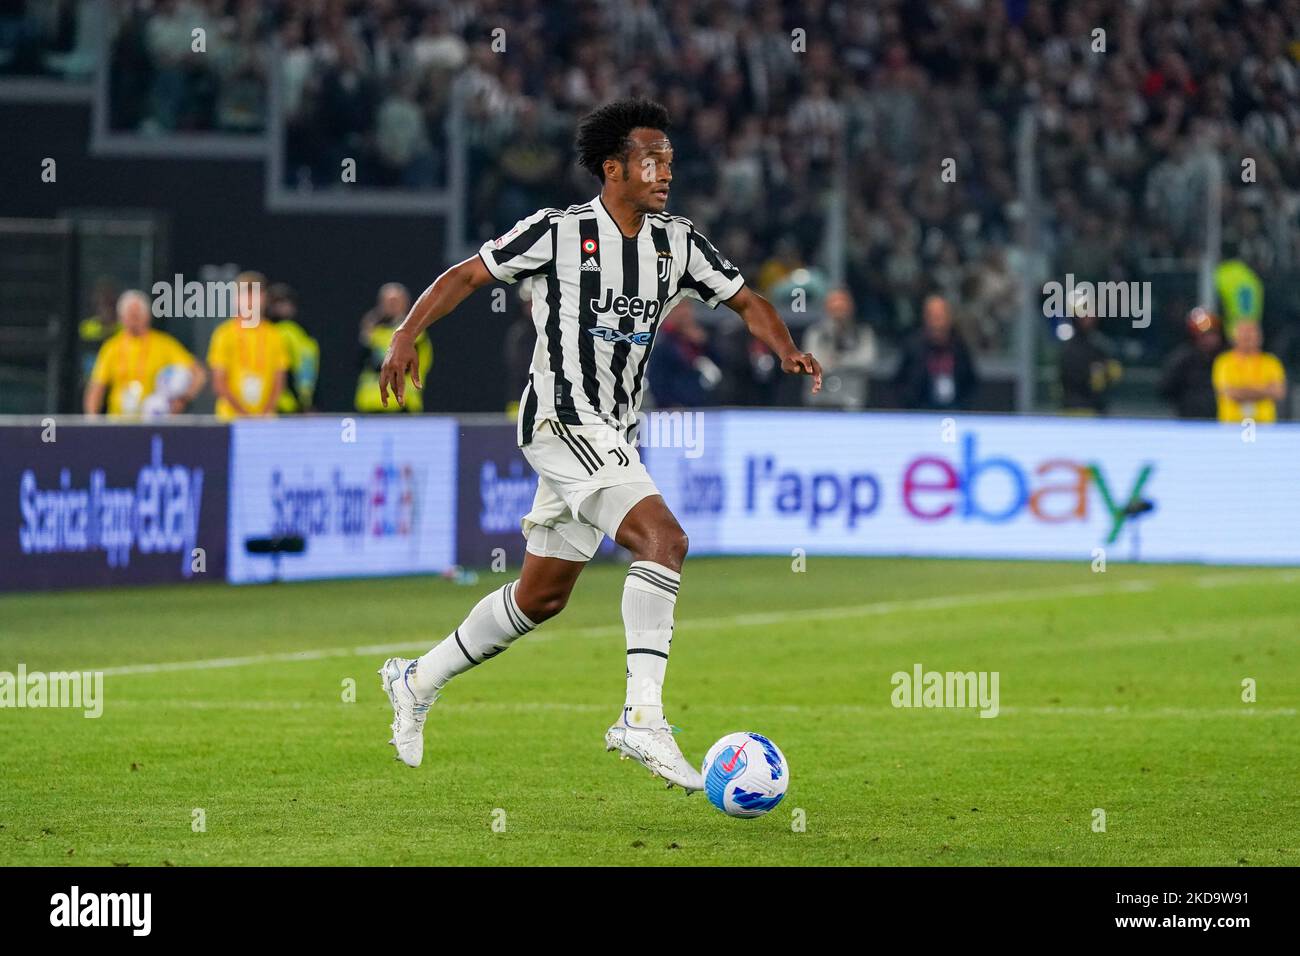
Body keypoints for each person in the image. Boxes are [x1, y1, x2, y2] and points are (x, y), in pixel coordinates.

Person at [375, 99, 822, 791]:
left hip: (613, 429)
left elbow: (745, 301)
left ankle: (415, 679)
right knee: (664, 541)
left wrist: (787, 347)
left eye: (670, 160)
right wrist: (407, 333)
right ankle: (642, 718)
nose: (665, 171)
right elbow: (467, 275)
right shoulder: (558, 233)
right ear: (613, 169)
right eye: (651, 159)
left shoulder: (678, 243)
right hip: (562, 420)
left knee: (540, 598)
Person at [84, 290, 206, 417]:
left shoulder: (164, 344)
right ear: (121, 317)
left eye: (137, 315)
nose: (134, 320)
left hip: (153, 421)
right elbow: (96, 388)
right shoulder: (111, 347)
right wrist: (92, 420)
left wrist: (182, 399)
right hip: (119, 422)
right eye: (130, 315)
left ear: (147, 316)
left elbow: (199, 374)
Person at [207, 271, 289, 420]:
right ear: (236, 299)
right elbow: (219, 383)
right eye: (246, 295)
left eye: (255, 295)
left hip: (266, 419)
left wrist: (264, 413)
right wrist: (244, 415)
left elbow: (279, 382)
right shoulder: (224, 334)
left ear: (264, 298)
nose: (250, 301)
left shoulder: (274, 335)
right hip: (231, 418)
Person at [356, 282, 432, 412]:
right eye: (386, 301)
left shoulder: (414, 333)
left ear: (405, 304)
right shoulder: (374, 333)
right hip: (370, 406)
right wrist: (365, 335)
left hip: (401, 406)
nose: (390, 305)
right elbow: (358, 363)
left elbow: (403, 367)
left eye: (395, 301)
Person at [892, 294, 977, 410]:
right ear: (925, 318)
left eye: (940, 317)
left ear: (949, 318)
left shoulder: (959, 347)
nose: (936, 323)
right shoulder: (913, 347)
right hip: (919, 412)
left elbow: (970, 382)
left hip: (955, 412)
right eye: (932, 317)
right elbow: (900, 382)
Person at [801, 288, 877, 408]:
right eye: (835, 308)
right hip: (820, 400)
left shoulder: (863, 333)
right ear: (827, 308)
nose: (839, 313)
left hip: (852, 399)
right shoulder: (816, 333)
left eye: (842, 308)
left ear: (851, 308)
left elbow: (867, 361)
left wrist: (838, 360)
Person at [1212, 319, 1287, 423]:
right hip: (1231, 425)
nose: (1247, 337)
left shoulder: (1271, 362)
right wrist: (1263, 390)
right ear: (1234, 337)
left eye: (1251, 334)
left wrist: (1241, 390)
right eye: (1244, 334)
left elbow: (1278, 392)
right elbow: (1228, 393)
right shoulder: (1224, 361)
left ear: (1260, 337)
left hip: (1265, 425)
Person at [1058, 292, 1121, 414]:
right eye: (1086, 313)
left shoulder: (1098, 344)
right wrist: (1098, 373)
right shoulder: (1070, 348)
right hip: (1075, 411)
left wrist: (1106, 372)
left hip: (1097, 411)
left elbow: (1109, 374)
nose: (1091, 317)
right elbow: (1077, 380)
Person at [1158, 307, 1224, 420]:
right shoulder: (1181, 359)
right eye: (1205, 335)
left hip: (1220, 421)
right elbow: (1165, 389)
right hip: (1188, 420)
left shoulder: (1225, 358)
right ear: (1195, 336)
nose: (1210, 339)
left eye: (1213, 334)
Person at [266, 283, 319, 414]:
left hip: (300, 402)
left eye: (284, 302)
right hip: (283, 403)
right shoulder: (275, 332)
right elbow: (285, 370)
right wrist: (301, 404)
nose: (281, 307)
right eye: (276, 303)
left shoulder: (299, 332)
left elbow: (309, 369)